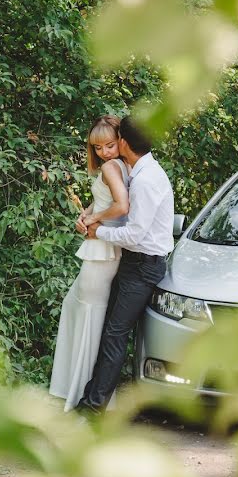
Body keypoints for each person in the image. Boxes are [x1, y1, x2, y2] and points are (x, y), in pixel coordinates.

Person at [75, 116, 174, 415]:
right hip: (133, 263)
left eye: (114, 140)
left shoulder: (145, 180)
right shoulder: (138, 171)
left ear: (124, 143)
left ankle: (94, 408)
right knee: (111, 333)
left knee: (115, 336)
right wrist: (94, 213)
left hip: (143, 266)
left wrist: (97, 231)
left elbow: (134, 234)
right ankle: (91, 399)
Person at [49, 115, 130, 411]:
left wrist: (94, 219)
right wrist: (85, 214)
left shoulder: (112, 166)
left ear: (120, 141)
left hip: (103, 253)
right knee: (77, 309)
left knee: (90, 317)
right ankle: (78, 388)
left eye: (110, 145)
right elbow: (105, 202)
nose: (105, 152)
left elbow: (122, 206)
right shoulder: (117, 167)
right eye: (98, 148)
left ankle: (82, 392)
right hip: (100, 248)